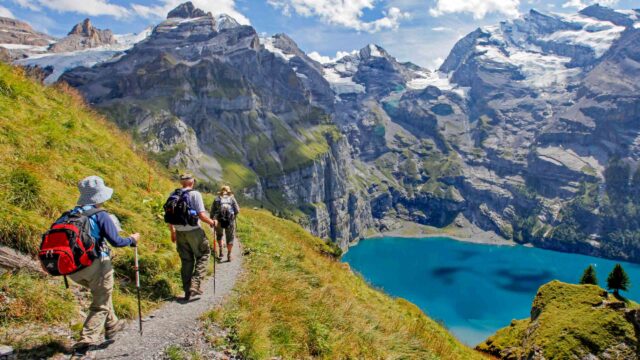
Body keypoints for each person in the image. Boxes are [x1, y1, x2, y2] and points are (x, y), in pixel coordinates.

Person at [68, 176, 140, 357]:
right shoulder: (101, 215)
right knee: (100, 302)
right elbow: (116, 241)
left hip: (71, 269)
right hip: (95, 264)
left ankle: (112, 325)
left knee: (102, 294)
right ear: (100, 195)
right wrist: (132, 240)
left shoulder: (69, 214)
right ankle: (86, 340)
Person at [168, 174, 216, 301]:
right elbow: (201, 215)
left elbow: (169, 214)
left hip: (179, 232)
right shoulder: (195, 194)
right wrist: (212, 223)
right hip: (194, 231)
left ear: (181, 182)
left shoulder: (173, 193)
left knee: (186, 260)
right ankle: (195, 284)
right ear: (192, 182)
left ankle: (187, 291)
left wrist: (172, 231)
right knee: (204, 254)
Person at [211, 185, 240, 262]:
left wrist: (212, 221)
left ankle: (220, 250)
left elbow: (212, 211)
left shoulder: (217, 199)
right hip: (229, 221)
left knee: (219, 235)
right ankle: (229, 255)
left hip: (218, 220)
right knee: (230, 237)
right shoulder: (232, 198)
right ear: (229, 191)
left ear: (221, 192)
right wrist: (233, 217)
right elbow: (237, 210)